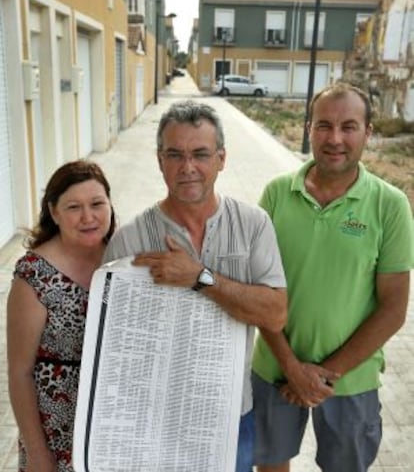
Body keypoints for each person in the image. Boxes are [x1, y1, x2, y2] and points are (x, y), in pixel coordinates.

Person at [103, 99, 288, 472]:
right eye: (175, 155)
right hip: (156, 422)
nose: (188, 168)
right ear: (159, 160)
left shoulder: (254, 225)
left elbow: (275, 314)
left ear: (221, 158)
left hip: (232, 415)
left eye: (200, 154)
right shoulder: (130, 241)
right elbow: (115, 346)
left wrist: (200, 278)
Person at [252, 82, 414, 472]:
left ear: (368, 133)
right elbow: (258, 292)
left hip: (351, 379)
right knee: (270, 466)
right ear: (309, 128)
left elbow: (393, 309)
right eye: (324, 125)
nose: (335, 138)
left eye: (349, 126)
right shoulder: (276, 194)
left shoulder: (390, 205)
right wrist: (292, 368)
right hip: (275, 368)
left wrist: (322, 376)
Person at [7, 160, 115, 472]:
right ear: (54, 213)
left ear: (110, 204)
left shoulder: (124, 259)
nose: (88, 217)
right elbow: (19, 372)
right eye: (73, 207)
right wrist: (39, 456)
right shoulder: (34, 274)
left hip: (112, 427)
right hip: (55, 434)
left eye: (97, 203)